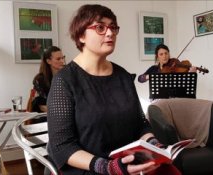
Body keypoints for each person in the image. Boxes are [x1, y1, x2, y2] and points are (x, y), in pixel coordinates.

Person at [46, 4, 181, 175]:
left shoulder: (123, 76)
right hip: (89, 167)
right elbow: (62, 146)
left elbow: (141, 125)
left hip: (128, 162)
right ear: (81, 35)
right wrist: (109, 167)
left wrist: (156, 148)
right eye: (100, 27)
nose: (110, 33)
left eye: (113, 28)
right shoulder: (64, 81)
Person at [31, 46, 65, 113]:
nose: (62, 61)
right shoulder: (40, 80)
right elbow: (42, 106)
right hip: (46, 117)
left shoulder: (67, 77)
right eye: (58, 59)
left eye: (63, 58)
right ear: (49, 61)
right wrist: (61, 113)